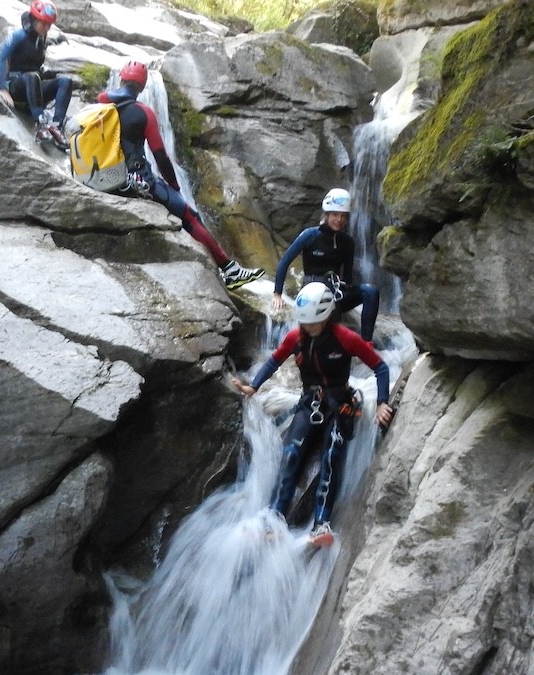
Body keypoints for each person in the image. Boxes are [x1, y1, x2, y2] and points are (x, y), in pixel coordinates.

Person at [231, 282, 393, 546]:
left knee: (331, 458)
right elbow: (274, 360)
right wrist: (253, 387)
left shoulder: (345, 338)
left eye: (314, 322)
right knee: (291, 455)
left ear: (328, 316)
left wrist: (382, 402)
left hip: (340, 405)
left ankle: (321, 524)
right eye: (305, 322)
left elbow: (381, 367)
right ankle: (272, 518)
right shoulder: (296, 337)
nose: (308, 327)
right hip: (310, 404)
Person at [98, 61, 265, 290]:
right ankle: (230, 271)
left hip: (103, 175)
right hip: (132, 180)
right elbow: (161, 157)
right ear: (142, 86)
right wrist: (174, 186)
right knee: (189, 215)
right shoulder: (144, 113)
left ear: (122, 79)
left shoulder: (102, 102)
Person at [270, 188, 381, 343]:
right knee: (325, 298)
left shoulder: (347, 242)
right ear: (327, 214)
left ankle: (366, 344)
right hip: (313, 291)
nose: (339, 220)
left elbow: (347, 278)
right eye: (335, 215)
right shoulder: (310, 235)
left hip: (335, 291)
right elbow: (285, 261)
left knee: (370, 292)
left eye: (343, 216)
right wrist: (277, 293)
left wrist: (347, 291)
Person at [0, 0, 73, 149]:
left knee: (65, 81)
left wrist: (56, 41)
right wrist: (3, 88)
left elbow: (41, 45)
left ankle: (56, 126)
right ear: (34, 20)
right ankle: (41, 124)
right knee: (32, 76)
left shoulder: (41, 38)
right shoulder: (18, 36)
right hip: (16, 86)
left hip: (34, 87)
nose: (46, 27)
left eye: (49, 24)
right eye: (43, 23)